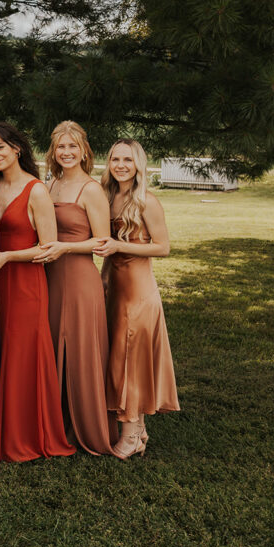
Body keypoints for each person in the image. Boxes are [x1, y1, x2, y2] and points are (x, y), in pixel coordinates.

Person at [0, 122, 74, 462]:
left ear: (17, 148)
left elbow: (48, 248)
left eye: (0, 147)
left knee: (22, 356)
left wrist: (7, 256)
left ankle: (26, 435)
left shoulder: (36, 191)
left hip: (25, 284)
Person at [33, 121, 117, 456]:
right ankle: (55, 422)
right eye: (60, 147)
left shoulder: (91, 190)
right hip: (50, 275)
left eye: (73, 147)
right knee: (51, 343)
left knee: (79, 347)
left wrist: (65, 248)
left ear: (84, 151)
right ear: (53, 152)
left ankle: (85, 424)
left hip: (80, 278)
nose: (66, 153)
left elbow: (103, 242)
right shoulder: (50, 184)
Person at [94, 139, 179, 458]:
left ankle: (129, 434)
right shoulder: (108, 197)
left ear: (138, 164)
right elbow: (108, 248)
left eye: (127, 160)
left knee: (130, 360)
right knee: (119, 356)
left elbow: (163, 247)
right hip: (114, 288)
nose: (120, 165)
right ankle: (138, 431)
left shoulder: (147, 202)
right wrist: (103, 277)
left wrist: (120, 247)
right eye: (114, 158)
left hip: (139, 292)